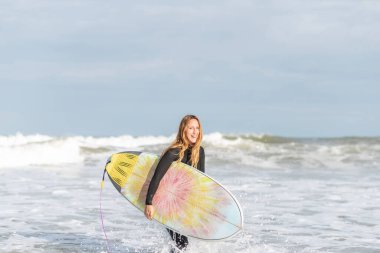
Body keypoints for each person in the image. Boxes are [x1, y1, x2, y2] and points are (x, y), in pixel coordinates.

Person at [144, 115, 205, 252]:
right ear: (184, 130)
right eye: (191, 128)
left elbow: (201, 182)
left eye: (197, 128)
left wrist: (201, 209)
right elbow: (156, 177)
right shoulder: (173, 152)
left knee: (181, 244)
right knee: (181, 244)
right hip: (167, 203)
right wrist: (149, 203)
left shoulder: (199, 152)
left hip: (184, 205)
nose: (195, 132)